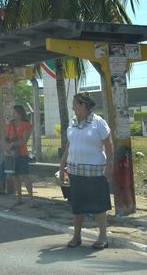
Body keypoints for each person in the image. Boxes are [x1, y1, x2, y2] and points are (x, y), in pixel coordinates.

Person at [60, 93, 113, 250]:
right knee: (77, 206)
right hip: (75, 171)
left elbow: (109, 145)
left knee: (98, 205)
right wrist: (62, 163)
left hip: (95, 172)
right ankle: (77, 236)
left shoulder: (98, 123)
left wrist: (110, 165)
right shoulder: (74, 123)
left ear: (83, 105)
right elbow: (70, 145)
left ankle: (103, 237)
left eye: (75, 104)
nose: (73, 108)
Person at [6, 105, 34, 205]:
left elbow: (24, 140)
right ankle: (19, 198)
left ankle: (31, 199)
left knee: (25, 176)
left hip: (22, 153)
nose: (12, 114)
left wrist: (13, 144)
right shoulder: (10, 124)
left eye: (14, 112)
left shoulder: (26, 125)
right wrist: (7, 145)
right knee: (15, 176)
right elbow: (6, 137)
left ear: (19, 113)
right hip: (11, 154)